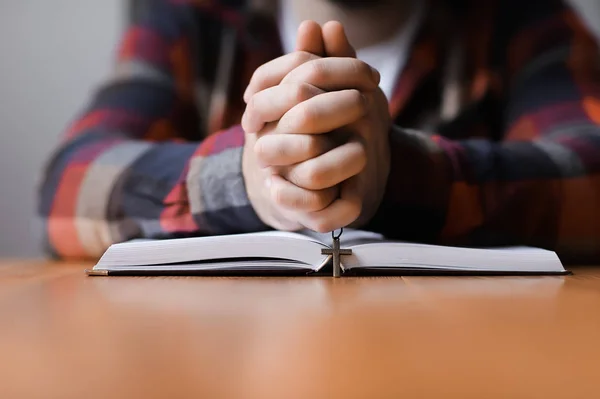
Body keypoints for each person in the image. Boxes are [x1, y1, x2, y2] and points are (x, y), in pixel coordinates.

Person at [39, 0, 600, 263]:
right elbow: (69, 185)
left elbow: (590, 178)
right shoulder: (191, 18)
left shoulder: (524, 21)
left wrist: (405, 173)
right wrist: (244, 179)